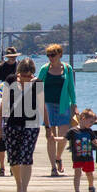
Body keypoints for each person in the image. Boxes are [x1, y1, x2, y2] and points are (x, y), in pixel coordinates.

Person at [0, 57, 46, 192]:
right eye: (23, 75)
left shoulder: (37, 83)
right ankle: (18, 185)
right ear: (18, 73)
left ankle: (24, 190)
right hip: (12, 124)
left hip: (31, 125)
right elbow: (3, 103)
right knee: (13, 159)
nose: (26, 78)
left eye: (29, 75)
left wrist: (48, 127)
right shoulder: (10, 80)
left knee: (26, 157)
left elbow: (42, 105)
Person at [36, 43, 77, 176]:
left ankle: (58, 157)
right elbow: (37, 84)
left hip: (63, 104)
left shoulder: (67, 68)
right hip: (47, 105)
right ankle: (53, 166)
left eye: (53, 55)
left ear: (60, 54)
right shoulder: (44, 68)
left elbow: (71, 87)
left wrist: (74, 105)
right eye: (48, 55)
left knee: (64, 136)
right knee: (50, 136)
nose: (50, 57)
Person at [65, 109, 97, 192]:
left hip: (88, 158)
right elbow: (64, 139)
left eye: (93, 123)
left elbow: (95, 141)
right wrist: (54, 139)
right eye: (90, 122)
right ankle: (76, 191)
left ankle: (91, 187)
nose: (91, 124)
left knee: (89, 174)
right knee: (77, 174)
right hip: (77, 157)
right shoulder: (73, 131)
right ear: (83, 118)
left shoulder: (89, 131)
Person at [0, 47, 17, 176]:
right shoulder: (1, 67)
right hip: (3, 94)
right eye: (10, 56)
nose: (12, 58)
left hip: (17, 98)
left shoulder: (19, 66)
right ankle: (2, 167)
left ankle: (13, 166)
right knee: (1, 142)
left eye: (14, 56)